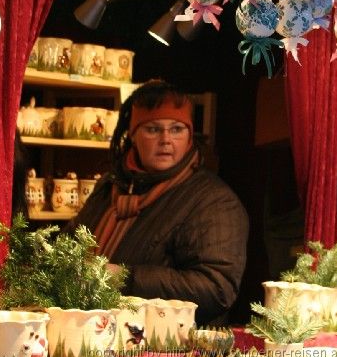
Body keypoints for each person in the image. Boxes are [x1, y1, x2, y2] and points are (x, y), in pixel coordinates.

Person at [67, 79, 249, 324]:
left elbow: (216, 288)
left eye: (176, 129)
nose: (166, 139)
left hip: (167, 350)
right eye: (153, 129)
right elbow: (70, 241)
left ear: (189, 135)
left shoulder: (214, 202)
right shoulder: (110, 187)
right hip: (92, 334)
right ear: (133, 135)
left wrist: (125, 278)